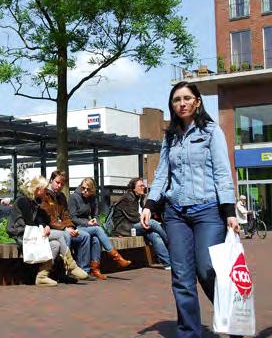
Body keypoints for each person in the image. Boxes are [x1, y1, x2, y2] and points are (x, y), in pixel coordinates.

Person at [140, 81, 239, 338]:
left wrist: (229, 211)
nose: (181, 103)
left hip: (208, 211)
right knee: (182, 277)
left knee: (206, 269)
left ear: (197, 101)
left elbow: (222, 172)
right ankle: (189, 333)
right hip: (176, 213)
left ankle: (232, 317)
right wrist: (150, 204)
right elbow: (162, 173)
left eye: (186, 98)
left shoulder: (210, 131)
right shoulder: (170, 136)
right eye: (176, 100)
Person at [7, 176, 85, 286]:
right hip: (23, 234)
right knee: (60, 234)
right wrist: (42, 227)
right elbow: (30, 222)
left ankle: (42, 276)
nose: (46, 191)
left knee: (55, 245)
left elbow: (40, 219)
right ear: (38, 189)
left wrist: (45, 225)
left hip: (33, 232)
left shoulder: (34, 201)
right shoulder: (23, 201)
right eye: (45, 189)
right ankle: (72, 266)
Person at [68, 177, 132, 280]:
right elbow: (72, 218)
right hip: (76, 227)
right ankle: (117, 257)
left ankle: (95, 270)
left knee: (96, 239)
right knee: (97, 230)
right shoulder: (74, 197)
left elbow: (96, 215)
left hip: (88, 227)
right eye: (83, 188)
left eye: (88, 189)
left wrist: (94, 220)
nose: (85, 191)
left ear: (92, 190)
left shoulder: (93, 198)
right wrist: (87, 222)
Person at [40, 170, 93, 280]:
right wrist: (65, 228)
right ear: (51, 180)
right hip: (53, 229)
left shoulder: (61, 196)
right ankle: (65, 272)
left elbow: (66, 215)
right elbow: (49, 219)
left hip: (63, 228)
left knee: (85, 236)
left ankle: (84, 269)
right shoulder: (45, 195)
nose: (59, 186)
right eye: (57, 182)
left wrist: (70, 227)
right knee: (66, 236)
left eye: (62, 184)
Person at [112, 178, 170, 269]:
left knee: (154, 235)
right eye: (140, 186)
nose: (143, 187)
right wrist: (148, 221)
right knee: (153, 223)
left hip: (137, 226)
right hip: (125, 228)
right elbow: (134, 218)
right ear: (133, 188)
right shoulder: (127, 198)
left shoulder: (140, 197)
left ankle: (168, 263)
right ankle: (171, 244)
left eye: (143, 185)